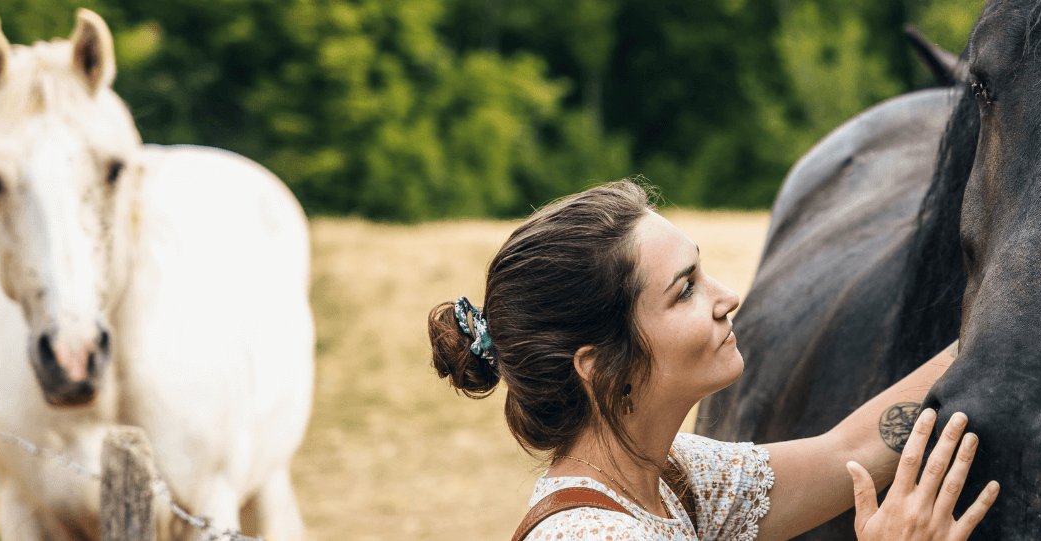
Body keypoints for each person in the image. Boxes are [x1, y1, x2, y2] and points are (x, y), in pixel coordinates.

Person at [427, 180, 997, 541]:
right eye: (685, 290)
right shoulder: (590, 534)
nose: (728, 298)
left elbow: (848, 452)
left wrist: (1008, 326)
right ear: (601, 367)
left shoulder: (674, 476)